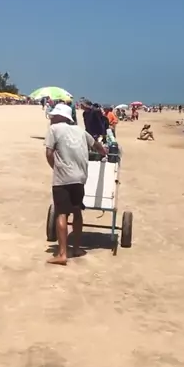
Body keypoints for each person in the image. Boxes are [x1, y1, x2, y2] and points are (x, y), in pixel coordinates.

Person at [45, 103, 107, 265]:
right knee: (77, 212)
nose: (51, 118)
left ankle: (62, 254)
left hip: (62, 179)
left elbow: (49, 153)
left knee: (61, 213)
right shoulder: (80, 131)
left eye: (53, 116)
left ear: (60, 117)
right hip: (80, 178)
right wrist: (104, 152)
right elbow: (97, 146)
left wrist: (55, 168)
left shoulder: (54, 129)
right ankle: (77, 248)